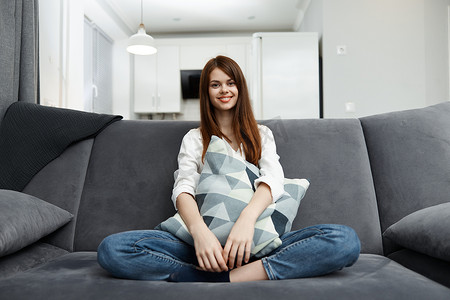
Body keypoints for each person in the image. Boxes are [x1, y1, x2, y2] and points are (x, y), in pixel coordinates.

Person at [97, 55, 360, 283]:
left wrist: (245, 222)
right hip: (200, 245)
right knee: (113, 249)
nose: (224, 90)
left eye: (230, 83)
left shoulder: (261, 134)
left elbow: (273, 179)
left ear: (240, 88)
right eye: (215, 84)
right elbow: (183, 189)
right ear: (207, 91)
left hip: (258, 242)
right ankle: (210, 266)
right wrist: (201, 235)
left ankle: (225, 276)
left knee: (344, 240)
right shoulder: (194, 138)